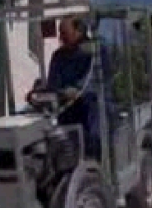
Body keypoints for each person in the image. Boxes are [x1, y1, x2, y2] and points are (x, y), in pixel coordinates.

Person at [46, 16, 113, 159]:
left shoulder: (96, 50)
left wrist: (77, 90)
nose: (61, 37)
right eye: (60, 32)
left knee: (92, 115)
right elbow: (53, 82)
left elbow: (95, 77)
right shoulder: (58, 56)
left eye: (65, 33)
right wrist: (51, 92)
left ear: (79, 31)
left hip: (92, 105)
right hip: (67, 107)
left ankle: (96, 160)